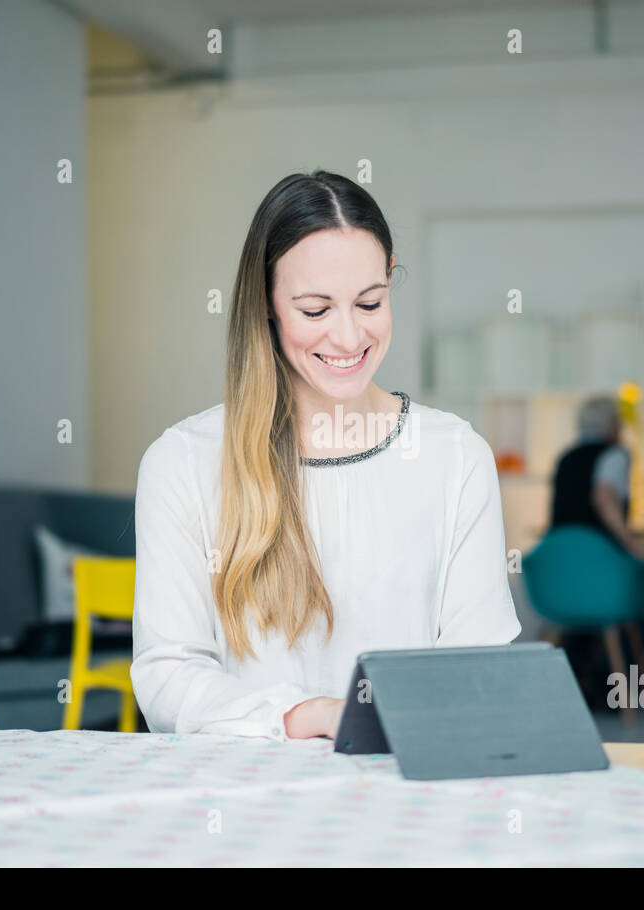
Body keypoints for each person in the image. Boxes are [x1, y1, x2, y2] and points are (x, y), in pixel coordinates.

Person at [130, 171, 521, 741]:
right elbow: (167, 677)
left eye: (369, 302)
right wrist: (307, 716)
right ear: (266, 304)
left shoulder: (456, 457)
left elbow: (480, 670)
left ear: (390, 282)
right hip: (242, 805)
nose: (347, 337)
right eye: (315, 310)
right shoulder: (182, 463)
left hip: (408, 795)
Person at [549, 396, 644, 690]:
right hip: (601, 577)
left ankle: (582, 680)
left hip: (562, 581)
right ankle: (611, 678)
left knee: (586, 617)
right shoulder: (616, 455)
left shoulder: (565, 458)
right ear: (613, 427)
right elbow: (603, 496)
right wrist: (634, 546)